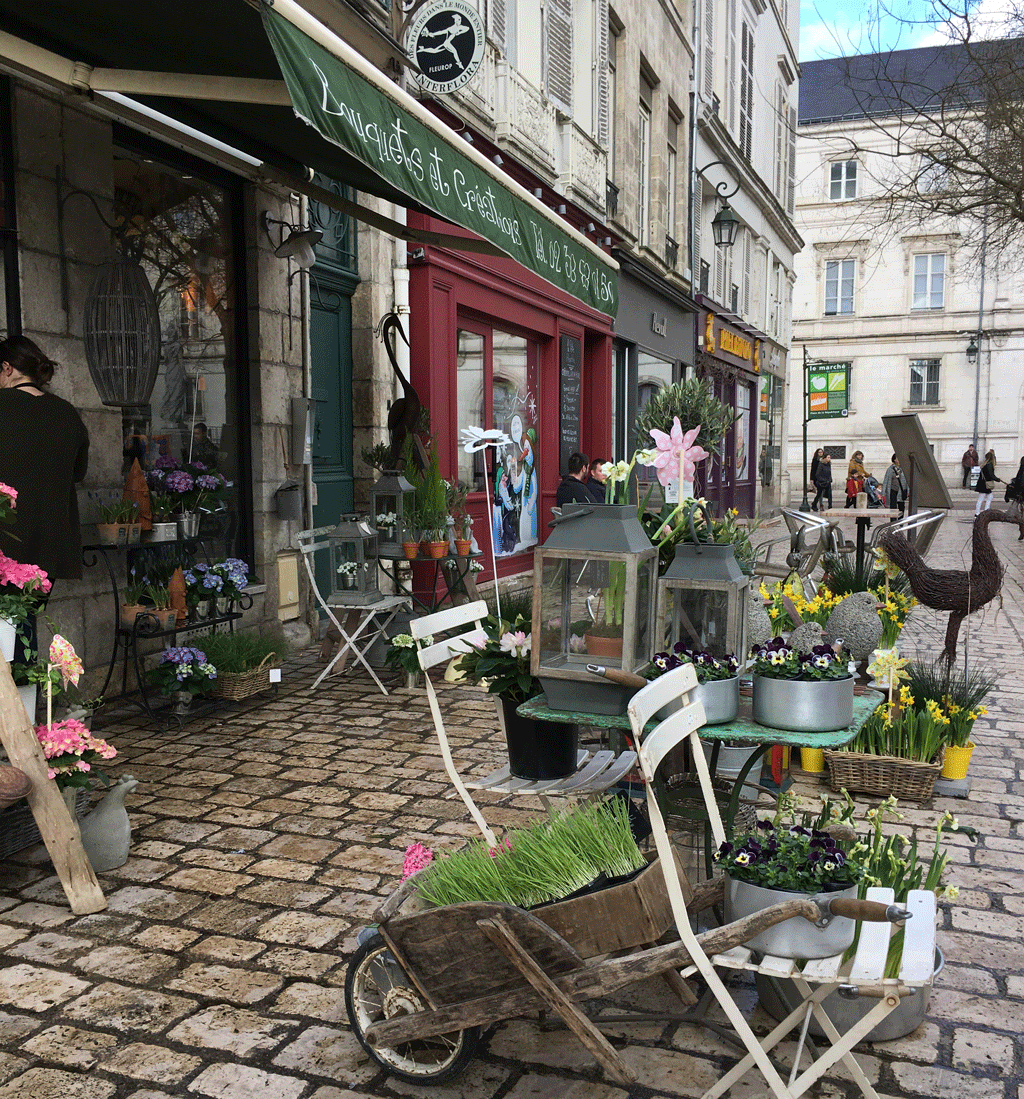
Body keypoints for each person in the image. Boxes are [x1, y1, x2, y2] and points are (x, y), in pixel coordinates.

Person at [0, 336, 89, 663]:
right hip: (46, 548)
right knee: (21, 631)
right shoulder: (67, 414)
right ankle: (25, 695)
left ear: (7, 368)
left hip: (5, 543)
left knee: (5, 637)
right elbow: (78, 472)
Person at [975, 449, 1002, 516]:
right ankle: (979, 513)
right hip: (985, 484)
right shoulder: (989, 465)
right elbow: (991, 475)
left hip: (982, 483)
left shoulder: (984, 465)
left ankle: (984, 511)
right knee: (983, 498)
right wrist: (997, 479)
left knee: (988, 497)